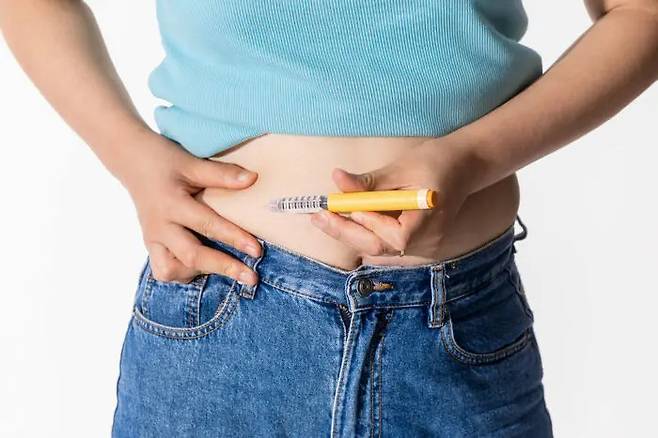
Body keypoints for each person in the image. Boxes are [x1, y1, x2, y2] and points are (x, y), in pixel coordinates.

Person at [1, 0, 656, 436]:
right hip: (223, 320)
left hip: (456, 331)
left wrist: (473, 156)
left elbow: (641, 13)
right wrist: (129, 156)